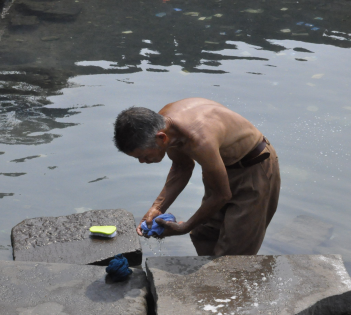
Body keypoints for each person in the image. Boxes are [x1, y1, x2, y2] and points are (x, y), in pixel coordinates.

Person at [113, 98, 280, 256]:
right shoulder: (164, 126)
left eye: (142, 156)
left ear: (161, 138)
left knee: (234, 253)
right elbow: (182, 166)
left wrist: (183, 228)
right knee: (204, 235)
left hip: (254, 169)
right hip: (218, 166)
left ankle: (229, 281)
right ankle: (212, 282)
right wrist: (157, 208)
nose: (142, 161)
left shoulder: (199, 140)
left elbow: (222, 195)